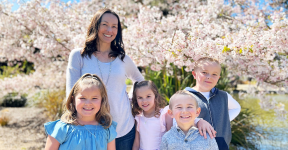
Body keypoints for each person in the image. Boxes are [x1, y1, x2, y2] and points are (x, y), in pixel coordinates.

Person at [66, 8, 144, 149]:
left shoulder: (123, 58)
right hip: (91, 129)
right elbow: (71, 93)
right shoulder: (78, 56)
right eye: (105, 25)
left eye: (114, 27)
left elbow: (140, 80)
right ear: (96, 25)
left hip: (123, 128)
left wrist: (132, 99)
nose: (110, 30)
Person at [44, 73, 117, 150]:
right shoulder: (62, 128)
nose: (88, 103)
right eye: (83, 98)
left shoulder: (107, 128)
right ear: (73, 100)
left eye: (94, 98)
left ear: (102, 101)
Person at [185, 57, 241, 149]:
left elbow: (236, 108)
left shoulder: (223, 96)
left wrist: (224, 121)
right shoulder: (185, 96)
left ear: (218, 78)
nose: (209, 77)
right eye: (204, 72)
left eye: (214, 74)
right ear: (194, 74)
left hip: (220, 145)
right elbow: (176, 118)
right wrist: (197, 121)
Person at [131, 80, 173, 150]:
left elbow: (171, 140)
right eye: (140, 97)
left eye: (148, 96)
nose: (144, 101)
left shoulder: (164, 115)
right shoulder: (138, 117)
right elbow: (136, 144)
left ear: (155, 96)